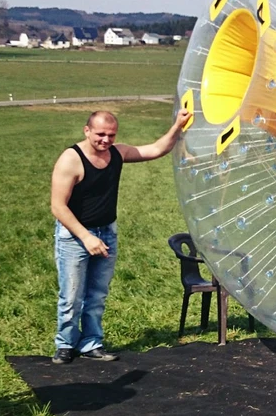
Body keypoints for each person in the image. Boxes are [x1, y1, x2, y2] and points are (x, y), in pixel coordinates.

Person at [50, 108, 191, 364]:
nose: (106, 140)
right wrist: (86, 238)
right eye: (100, 134)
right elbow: (58, 206)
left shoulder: (117, 153)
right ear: (87, 130)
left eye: (111, 135)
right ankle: (65, 344)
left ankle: (91, 343)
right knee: (71, 295)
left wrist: (178, 126)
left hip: (106, 233)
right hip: (74, 236)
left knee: (97, 294)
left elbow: (157, 149)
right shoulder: (71, 159)